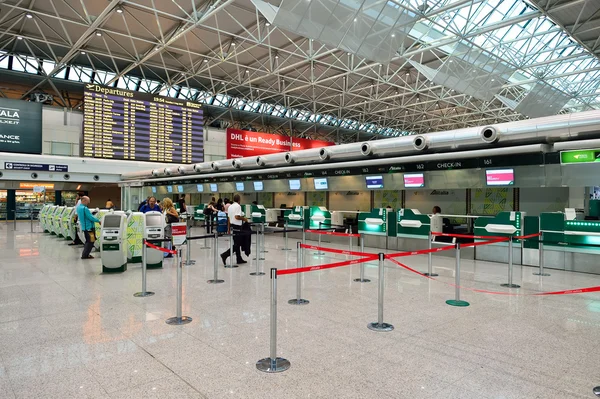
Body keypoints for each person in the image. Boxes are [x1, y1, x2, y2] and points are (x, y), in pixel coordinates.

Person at [220, 194, 247, 266]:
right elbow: (237, 217)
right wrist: (244, 219)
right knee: (238, 244)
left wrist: (228, 228)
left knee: (236, 243)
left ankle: (239, 258)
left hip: (232, 226)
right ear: (239, 200)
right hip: (237, 226)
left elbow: (229, 218)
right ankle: (225, 255)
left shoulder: (230, 206)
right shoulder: (238, 206)